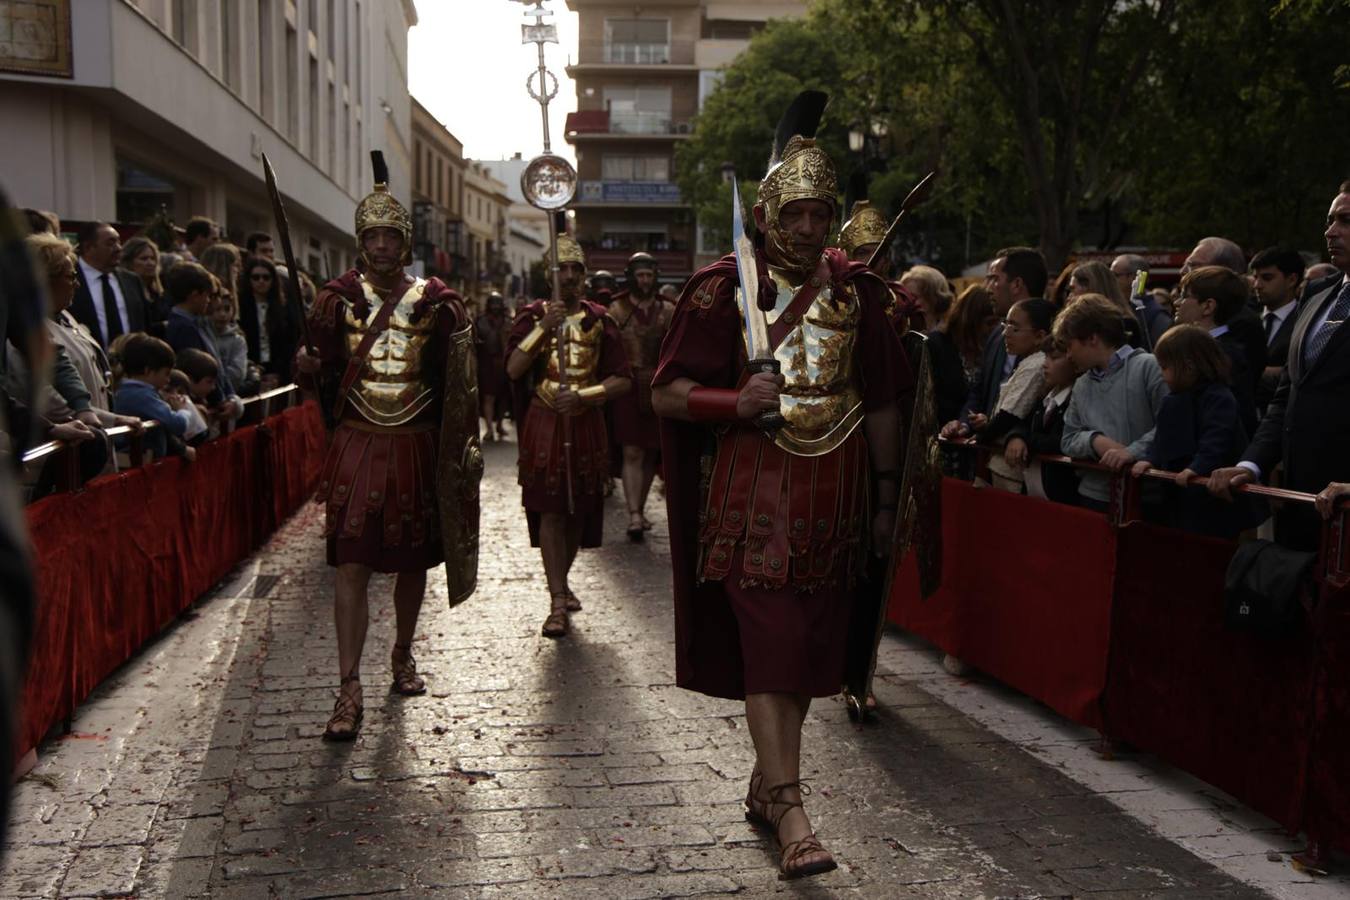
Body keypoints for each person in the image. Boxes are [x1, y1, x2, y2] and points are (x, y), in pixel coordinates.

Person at [651, 119, 910, 880]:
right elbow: (665, 395)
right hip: (750, 490)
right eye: (790, 213)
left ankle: (768, 786)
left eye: (817, 214)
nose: (804, 227)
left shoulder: (861, 295)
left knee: (803, 652)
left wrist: (888, 500)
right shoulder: (717, 291)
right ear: (763, 216)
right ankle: (794, 811)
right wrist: (732, 401)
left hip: (837, 493)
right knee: (768, 643)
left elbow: (888, 401)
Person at [293, 153, 473, 741]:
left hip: (417, 442)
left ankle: (402, 652)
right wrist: (306, 365)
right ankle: (348, 686)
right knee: (351, 562)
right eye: (372, 235)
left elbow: (458, 375)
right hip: (357, 441)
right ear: (360, 240)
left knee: (413, 561)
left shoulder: (436, 298)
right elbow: (317, 369)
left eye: (390, 235)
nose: (381, 245)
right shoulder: (334, 299)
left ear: (406, 241)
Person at [1210, 183, 1350, 550]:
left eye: (1345, 221)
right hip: (1299, 501)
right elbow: (1287, 397)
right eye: (1330, 220)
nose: (1330, 231)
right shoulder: (1317, 294)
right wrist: (1250, 466)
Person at [505, 234, 631, 637]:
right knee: (552, 508)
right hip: (546, 418)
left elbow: (622, 379)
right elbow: (513, 369)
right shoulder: (531, 316)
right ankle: (556, 597)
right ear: (550, 274)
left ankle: (562, 579)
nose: (571, 276)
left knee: (579, 508)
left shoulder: (600, 319)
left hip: (585, 419)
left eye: (577, 269)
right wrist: (543, 327)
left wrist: (585, 395)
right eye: (563, 269)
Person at [1131, 325, 1252, 538]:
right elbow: (1162, 439)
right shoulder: (1171, 401)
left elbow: (1215, 440)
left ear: (1188, 367)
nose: (1161, 375)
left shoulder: (1218, 397)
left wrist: (1196, 468)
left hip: (1209, 497)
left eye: (1164, 367)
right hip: (1178, 495)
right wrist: (1150, 459)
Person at [1057, 293, 1169, 511]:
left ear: (1092, 338)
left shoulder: (1148, 367)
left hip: (1144, 496)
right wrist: (1094, 441)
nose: (1068, 355)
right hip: (1093, 495)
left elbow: (1168, 424)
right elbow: (1068, 438)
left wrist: (1132, 452)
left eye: (1070, 345)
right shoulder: (1081, 384)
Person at [942, 248, 1047, 437]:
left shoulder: (1053, 336)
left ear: (1016, 284)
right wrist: (965, 423)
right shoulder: (997, 335)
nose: (987, 288)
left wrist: (1018, 435)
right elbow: (979, 391)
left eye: (994, 279)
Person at [608, 251, 673, 540]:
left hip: (656, 385)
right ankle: (633, 513)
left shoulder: (667, 310)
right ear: (632, 277)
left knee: (649, 451)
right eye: (640, 275)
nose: (645, 280)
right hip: (628, 386)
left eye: (649, 275)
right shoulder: (616, 310)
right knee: (631, 450)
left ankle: (641, 508)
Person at [962, 298, 1056, 492]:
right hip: (1000, 463)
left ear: (1039, 336)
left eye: (1014, 327)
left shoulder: (1036, 365)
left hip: (1011, 470)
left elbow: (1011, 414)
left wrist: (983, 435)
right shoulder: (1027, 362)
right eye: (1006, 323)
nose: (1005, 333)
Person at [1172, 265, 1262, 436]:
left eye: (1184, 296)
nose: (1177, 302)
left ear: (1208, 306)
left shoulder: (1222, 356)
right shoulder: (1203, 348)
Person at [1003, 344, 1079, 505]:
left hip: (1061, 496)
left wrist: (1027, 441)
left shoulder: (1076, 400)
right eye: (1046, 357)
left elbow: (1062, 441)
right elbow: (1023, 422)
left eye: (1054, 358)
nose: (1045, 364)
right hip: (1033, 491)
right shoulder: (1045, 397)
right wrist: (1016, 437)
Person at [839, 201, 924, 332]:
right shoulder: (835, 299)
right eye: (863, 252)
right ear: (849, 257)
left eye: (880, 251)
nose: (875, 257)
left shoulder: (903, 301)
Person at [112, 333, 195, 460]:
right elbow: (178, 424)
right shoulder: (141, 395)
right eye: (166, 373)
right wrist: (183, 410)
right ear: (147, 370)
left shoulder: (125, 390)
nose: (168, 380)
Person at [71, 223, 150, 349]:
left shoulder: (131, 280)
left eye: (119, 242)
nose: (118, 248)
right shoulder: (69, 279)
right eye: (110, 243)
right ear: (88, 247)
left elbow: (145, 324)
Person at [903, 266, 966, 426]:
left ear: (934, 299)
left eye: (914, 297)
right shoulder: (908, 337)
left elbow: (951, 394)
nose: (908, 303)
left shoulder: (940, 340)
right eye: (904, 296)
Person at [1248, 246, 1304, 413]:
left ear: (1292, 279)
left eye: (1267, 278)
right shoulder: (1246, 320)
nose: (1257, 285)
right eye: (1255, 277)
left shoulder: (1306, 321)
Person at [238, 254, 303, 386]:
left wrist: (279, 373)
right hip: (250, 372)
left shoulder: (284, 308)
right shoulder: (241, 307)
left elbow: (289, 343)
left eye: (266, 277)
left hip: (279, 373)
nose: (261, 281)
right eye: (255, 277)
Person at [1068, 260, 1146, 349]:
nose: (1069, 296)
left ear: (1089, 288)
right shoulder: (1076, 322)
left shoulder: (1124, 325)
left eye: (1073, 289)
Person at [1110, 253, 1172, 347]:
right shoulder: (1112, 307)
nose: (1110, 280)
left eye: (1115, 275)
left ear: (1133, 278)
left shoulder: (1156, 316)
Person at [474, 292, 510, 441]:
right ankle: (489, 428)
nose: (495, 306)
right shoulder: (480, 321)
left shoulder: (508, 322)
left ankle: (500, 424)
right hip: (486, 363)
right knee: (488, 397)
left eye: (498, 303)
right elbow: (475, 343)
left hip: (504, 363)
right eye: (493, 303)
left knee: (504, 397)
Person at [209, 292, 261, 396]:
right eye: (217, 309)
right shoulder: (204, 335)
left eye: (227, 309)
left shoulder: (237, 340)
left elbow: (237, 373)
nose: (223, 314)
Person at [119, 236, 167, 335]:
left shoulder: (157, 292)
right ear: (129, 262)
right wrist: (163, 326)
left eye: (153, 258)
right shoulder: (123, 292)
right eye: (144, 259)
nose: (150, 263)